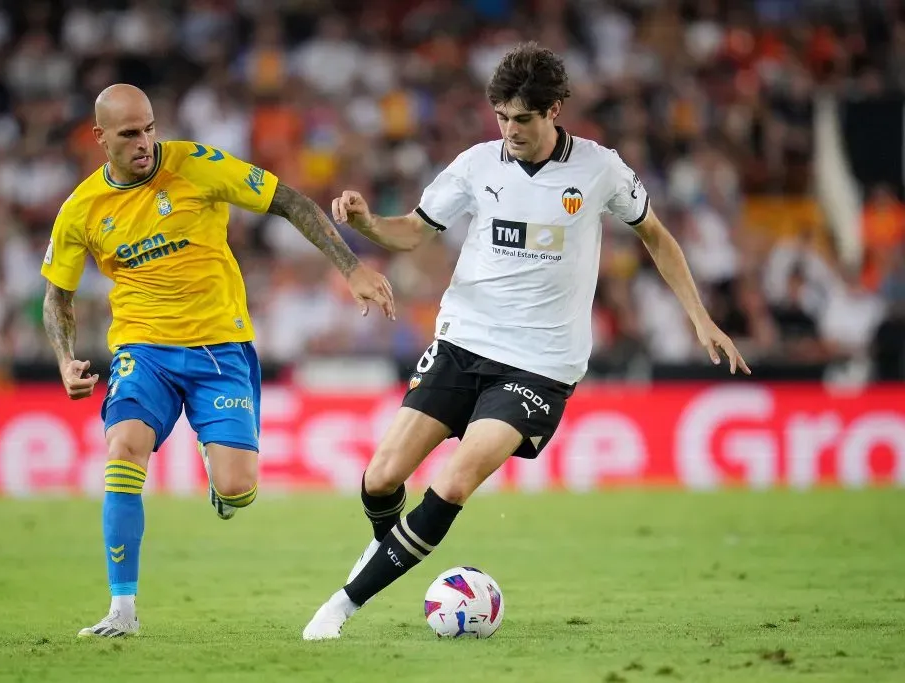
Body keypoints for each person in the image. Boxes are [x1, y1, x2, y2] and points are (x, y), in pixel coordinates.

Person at [301, 42, 749, 640]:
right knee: (380, 478)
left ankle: (341, 606)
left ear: (554, 110)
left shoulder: (599, 169)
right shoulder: (477, 165)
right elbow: (412, 232)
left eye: (522, 118)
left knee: (453, 482)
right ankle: (388, 555)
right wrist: (366, 224)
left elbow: (657, 237)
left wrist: (699, 317)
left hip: (539, 365)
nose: (509, 130)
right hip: (464, 341)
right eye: (501, 117)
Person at [40, 83, 395, 638]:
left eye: (149, 128)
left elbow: (289, 201)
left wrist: (351, 268)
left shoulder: (197, 165)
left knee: (237, 488)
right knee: (124, 447)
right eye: (129, 134)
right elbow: (56, 297)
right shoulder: (80, 210)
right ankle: (122, 609)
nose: (144, 142)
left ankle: (220, 479)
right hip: (142, 349)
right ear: (100, 137)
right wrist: (64, 359)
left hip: (219, 348)